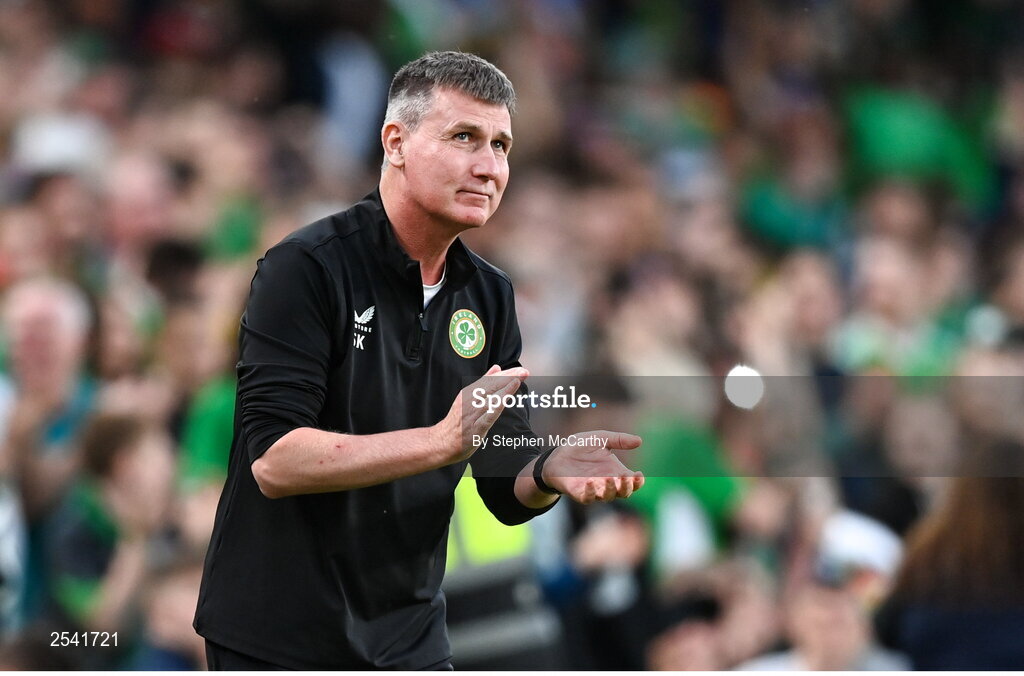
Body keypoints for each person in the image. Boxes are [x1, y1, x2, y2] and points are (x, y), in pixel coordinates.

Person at [193, 51, 645, 670]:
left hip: (409, 639)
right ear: (396, 142)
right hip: (281, 639)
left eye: (501, 145)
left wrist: (545, 472)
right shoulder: (306, 268)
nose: (488, 167)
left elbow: (502, 486)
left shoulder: (491, 295)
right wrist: (438, 442)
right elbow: (274, 458)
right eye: (464, 137)